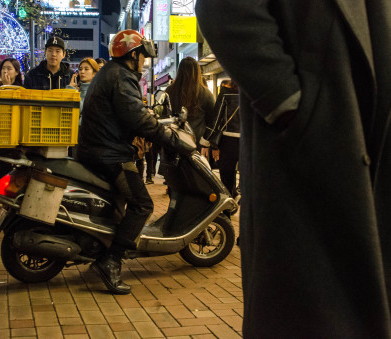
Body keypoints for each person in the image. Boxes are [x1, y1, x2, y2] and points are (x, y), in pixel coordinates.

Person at [196, 1, 391, 337]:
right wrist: (291, 108)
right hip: (315, 147)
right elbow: (224, 8)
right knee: (313, 308)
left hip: (364, 135)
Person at [76, 29, 195, 295]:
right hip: (109, 155)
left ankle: (103, 251)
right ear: (133, 55)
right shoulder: (121, 77)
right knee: (143, 205)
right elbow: (138, 120)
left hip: (97, 149)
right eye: (142, 55)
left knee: (121, 203)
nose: (144, 61)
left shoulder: (111, 74)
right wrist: (173, 140)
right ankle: (111, 261)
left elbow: (134, 113)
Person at [0, 58, 23, 190]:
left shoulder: (22, 90)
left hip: (16, 136)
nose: (5, 71)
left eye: (9, 68)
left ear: (17, 72)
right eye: (3, 68)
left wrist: (8, 88)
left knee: (10, 168)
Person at [165, 57, 215, 154]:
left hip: (174, 142)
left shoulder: (170, 91)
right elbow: (212, 121)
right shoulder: (206, 93)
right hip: (196, 144)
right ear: (197, 72)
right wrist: (205, 142)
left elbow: (165, 116)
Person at [208, 80, 241, 199]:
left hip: (228, 141)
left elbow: (216, 120)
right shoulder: (251, 92)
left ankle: (227, 210)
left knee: (227, 177)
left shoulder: (225, 94)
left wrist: (212, 144)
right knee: (249, 177)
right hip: (248, 141)